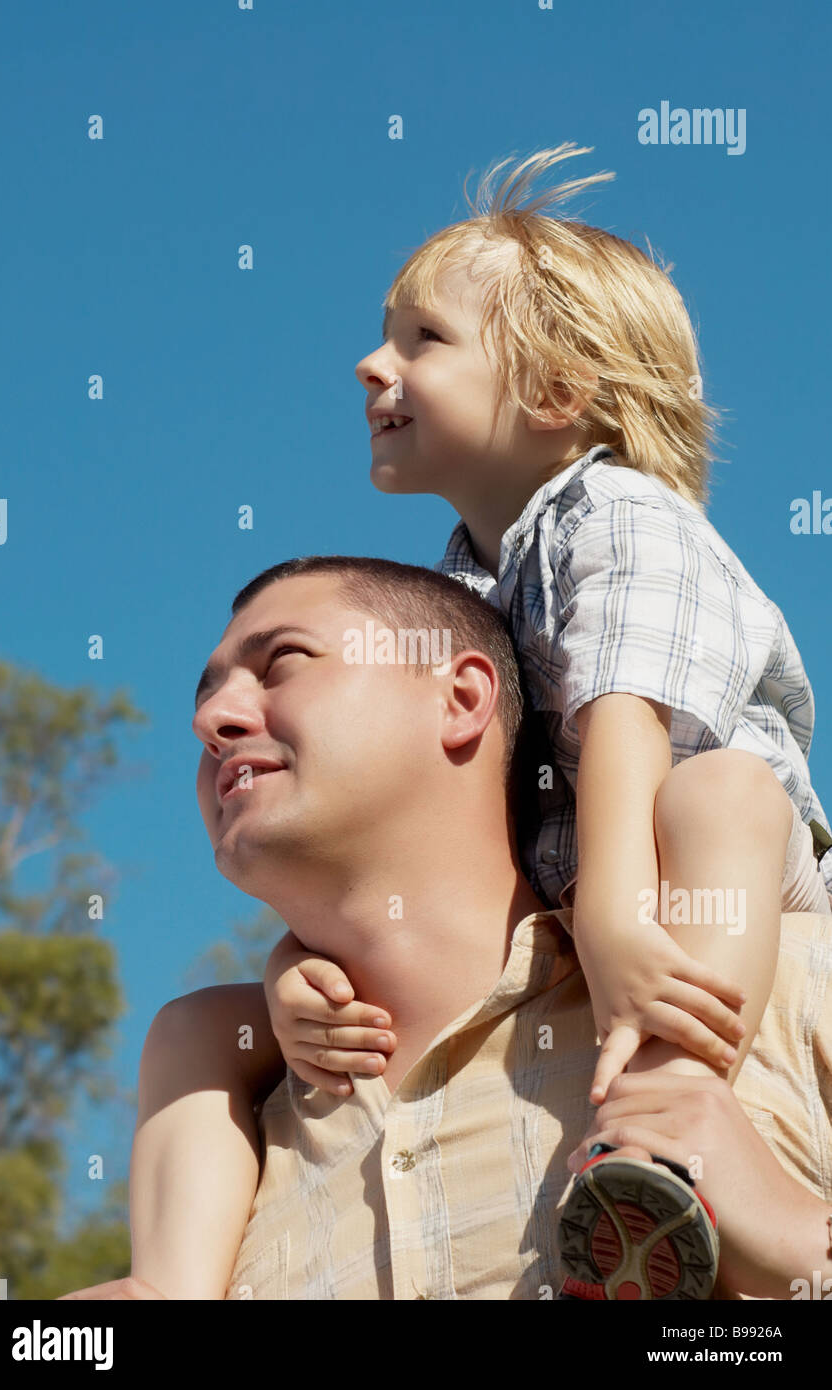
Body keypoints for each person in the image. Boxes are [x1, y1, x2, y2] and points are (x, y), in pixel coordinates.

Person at [263, 143, 832, 1297]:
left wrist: (620, 919)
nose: (372, 363)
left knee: (714, 791)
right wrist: (298, 965)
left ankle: (675, 1129)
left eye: (423, 337)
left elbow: (624, 720)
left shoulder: (623, 514)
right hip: (589, 898)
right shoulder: (465, 583)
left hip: (716, 875)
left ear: (558, 392)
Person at [61, 558, 832, 1302]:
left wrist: (804, 1248)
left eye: (283, 661)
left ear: (461, 698)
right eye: (207, 697)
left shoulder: (792, 986)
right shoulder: (223, 1148)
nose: (209, 721)